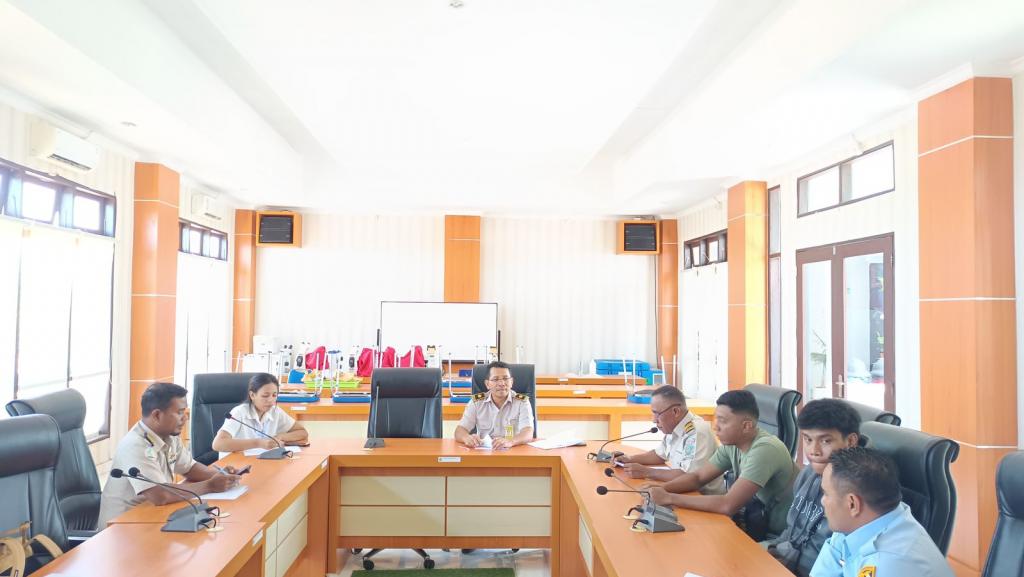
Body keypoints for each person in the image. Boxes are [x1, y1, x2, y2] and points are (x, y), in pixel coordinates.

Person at [648, 389, 797, 540]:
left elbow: (728, 504)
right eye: (715, 419)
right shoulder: (732, 444)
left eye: (723, 421)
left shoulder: (765, 449)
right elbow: (698, 477)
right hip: (753, 522)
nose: (715, 426)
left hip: (779, 536)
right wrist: (661, 489)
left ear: (746, 426)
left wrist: (669, 498)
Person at [97, 382, 241, 527]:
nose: (185, 418)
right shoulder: (135, 445)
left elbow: (190, 468)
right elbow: (160, 495)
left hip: (152, 515)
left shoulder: (169, 436)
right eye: (179, 412)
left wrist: (219, 475)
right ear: (157, 415)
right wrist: (210, 485)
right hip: (122, 527)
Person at [811, 447, 954, 577]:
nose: (822, 501)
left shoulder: (889, 564)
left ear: (852, 504)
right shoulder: (853, 524)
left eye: (826, 494)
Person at [764, 399, 863, 576]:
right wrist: (772, 552)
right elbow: (791, 529)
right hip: (783, 558)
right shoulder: (807, 474)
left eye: (825, 441)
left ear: (850, 441)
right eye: (808, 439)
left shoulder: (856, 494)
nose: (813, 451)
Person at [614, 385, 724, 494]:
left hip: (702, 498)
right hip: (681, 491)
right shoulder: (674, 427)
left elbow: (689, 477)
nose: (654, 420)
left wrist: (647, 472)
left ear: (675, 411)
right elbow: (659, 455)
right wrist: (629, 459)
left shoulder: (697, 432)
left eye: (657, 413)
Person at [212, 373, 309, 457]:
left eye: (274, 395)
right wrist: (258, 443)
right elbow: (218, 444)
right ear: (252, 395)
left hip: (261, 462)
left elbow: (302, 432)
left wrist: (280, 437)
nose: (270, 400)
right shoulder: (239, 412)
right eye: (265, 396)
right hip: (234, 467)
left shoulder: (275, 411)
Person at [455, 361, 534, 449]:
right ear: (487, 384)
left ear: (511, 382)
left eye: (505, 378)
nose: (501, 383)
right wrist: (466, 438)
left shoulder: (522, 402)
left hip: (513, 451)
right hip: (484, 453)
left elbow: (528, 432)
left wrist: (511, 441)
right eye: (495, 379)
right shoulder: (476, 402)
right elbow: (459, 431)